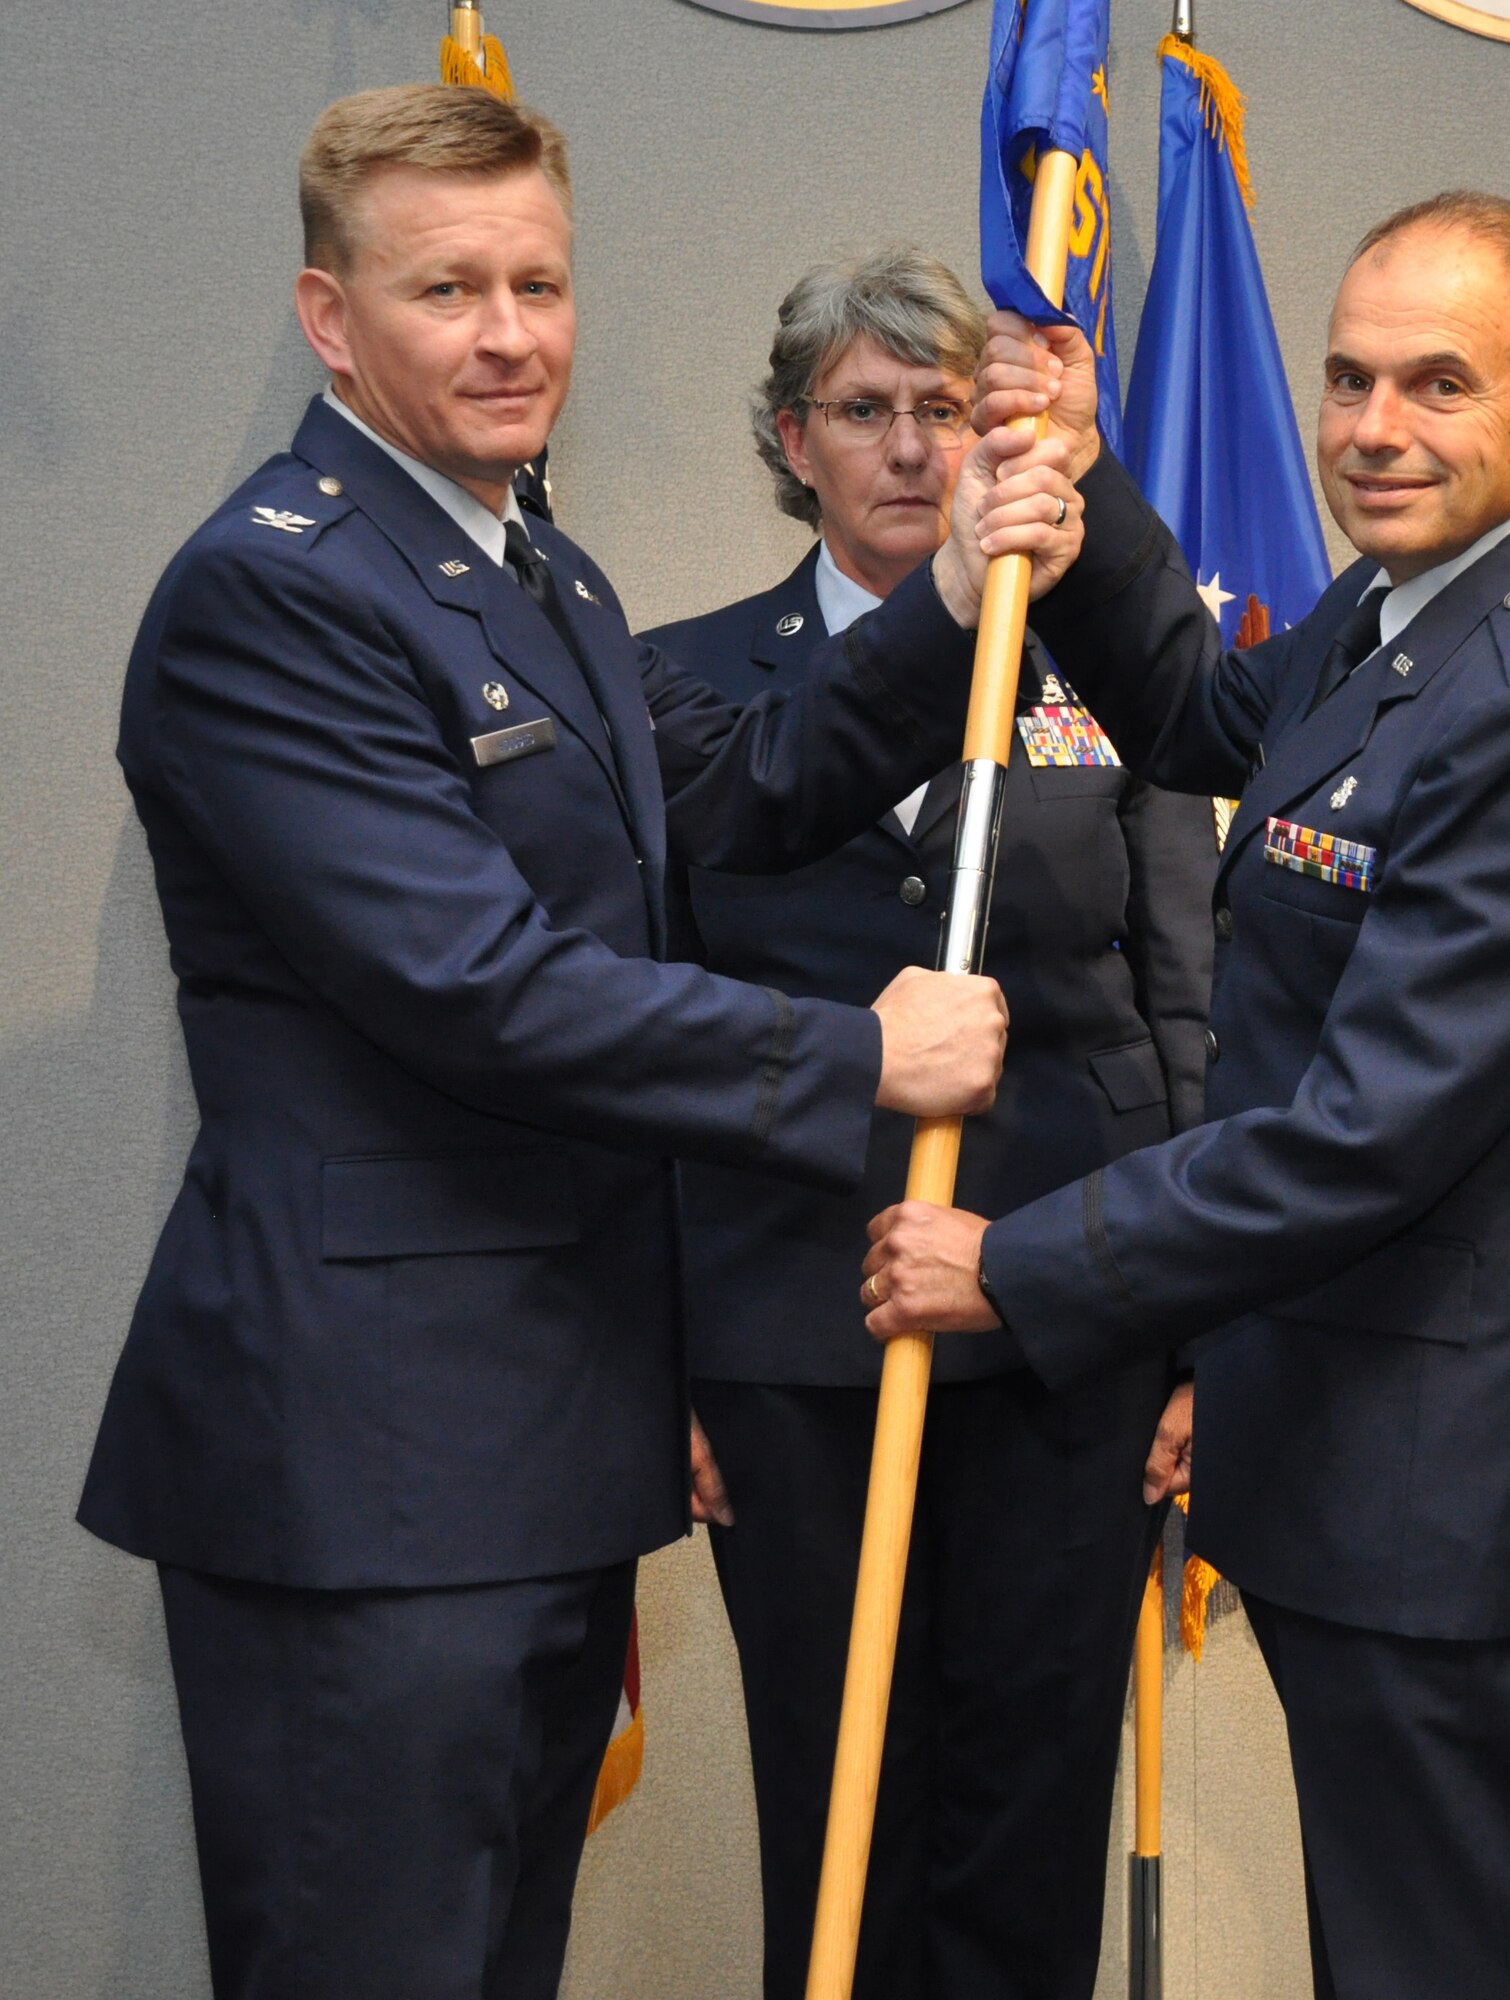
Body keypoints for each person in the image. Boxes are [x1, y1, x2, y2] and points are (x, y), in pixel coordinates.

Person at [75, 84, 1083, 2000]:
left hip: (528, 1456)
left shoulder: (536, 564)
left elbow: (748, 786)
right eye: (446, 289)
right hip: (366, 1472)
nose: (511, 331)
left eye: (538, 281)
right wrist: (858, 1057)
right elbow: (478, 982)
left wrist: (954, 590)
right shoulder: (276, 590)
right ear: (327, 316)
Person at [866, 193, 1510, 2000]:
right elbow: (1203, 716)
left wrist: (1015, 1260)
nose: (1372, 429)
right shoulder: (1416, 610)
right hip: (1363, 1441)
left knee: (1450, 1960)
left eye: (1437, 386)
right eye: (1346, 378)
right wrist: (1080, 488)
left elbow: (1364, 1135)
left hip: (1450, 1476)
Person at [644, 248, 1216, 2000]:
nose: (911, 447)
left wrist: (1198, 1330)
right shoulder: (676, 684)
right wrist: (658, 1359)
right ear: (791, 440)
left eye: (948, 409)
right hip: (795, 1335)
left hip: (1066, 1318)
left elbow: (1189, 1005)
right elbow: (637, 1041)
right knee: (840, 1815)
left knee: (1026, 1814)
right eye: (866, 412)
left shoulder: (1103, 664)